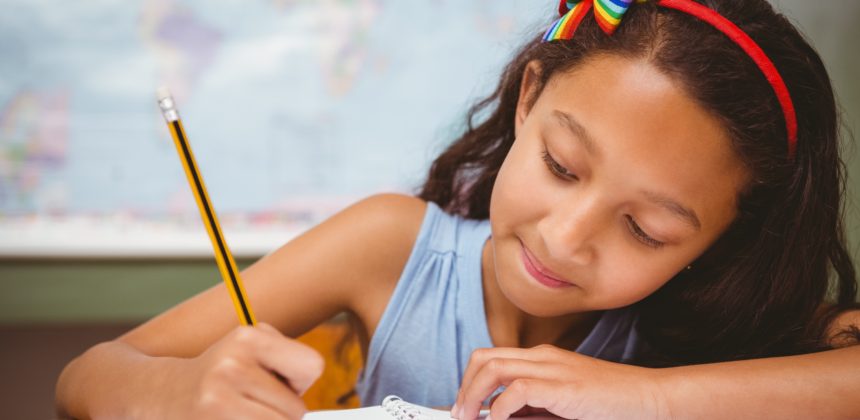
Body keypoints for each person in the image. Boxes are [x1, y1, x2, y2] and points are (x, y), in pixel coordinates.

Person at [56, 0, 860, 418]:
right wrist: (172, 397)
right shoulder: (390, 246)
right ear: (530, 98)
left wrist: (643, 400)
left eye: (645, 230)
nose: (565, 237)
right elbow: (86, 378)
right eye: (559, 164)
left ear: (721, 241)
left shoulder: (710, 333)